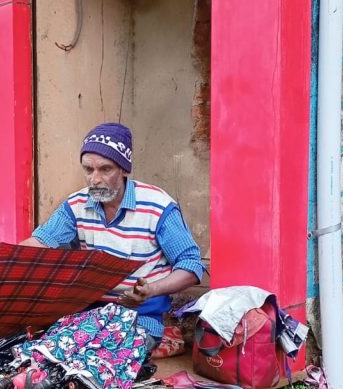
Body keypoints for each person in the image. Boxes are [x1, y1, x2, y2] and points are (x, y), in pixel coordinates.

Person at [19, 122, 205, 349]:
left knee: (102, 357)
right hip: (89, 315)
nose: (94, 179)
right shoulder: (76, 204)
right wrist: (4, 263)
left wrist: (151, 290)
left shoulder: (157, 207)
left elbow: (191, 265)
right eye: (88, 170)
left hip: (140, 318)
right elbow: (39, 243)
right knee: (42, 351)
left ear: (124, 169)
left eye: (105, 169)